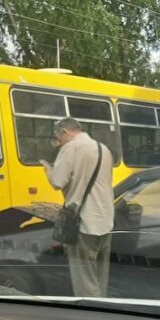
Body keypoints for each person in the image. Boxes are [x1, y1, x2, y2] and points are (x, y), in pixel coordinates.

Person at [42, 118, 114, 297]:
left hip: (84, 223)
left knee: (85, 279)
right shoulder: (103, 149)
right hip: (105, 221)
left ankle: (91, 315)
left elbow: (57, 182)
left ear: (65, 132)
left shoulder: (71, 148)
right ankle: (103, 307)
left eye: (59, 138)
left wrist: (48, 170)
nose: (59, 143)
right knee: (100, 275)